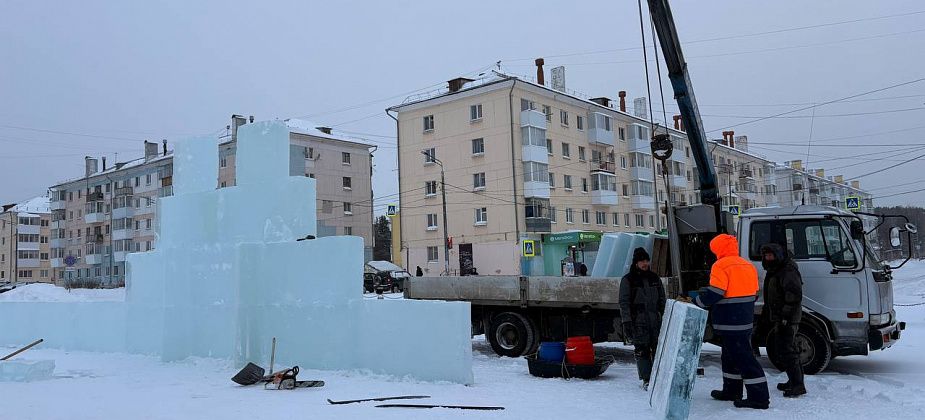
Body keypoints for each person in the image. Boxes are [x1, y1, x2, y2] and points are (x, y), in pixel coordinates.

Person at [695, 234, 770, 410]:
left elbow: (715, 293)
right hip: (743, 319)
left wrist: (696, 301)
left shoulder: (720, 265)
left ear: (718, 249)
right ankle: (731, 391)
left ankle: (759, 398)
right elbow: (754, 293)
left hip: (729, 320)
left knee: (744, 359)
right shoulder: (746, 264)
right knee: (729, 356)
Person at [761, 243, 806, 397]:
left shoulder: (787, 270)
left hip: (788, 317)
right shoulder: (775, 269)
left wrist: (785, 316)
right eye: (766, 256)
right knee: (787, 349)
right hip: (780, 316)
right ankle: (794, 381)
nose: (768, 258)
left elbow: (793, 295)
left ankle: (798, 384)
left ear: (778, 255)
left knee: (787, 351)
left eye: (770, 255)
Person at [619, 247, 666, 390]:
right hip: (638, 321)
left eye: (646, 260)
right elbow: (624, 302)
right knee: (642, 350)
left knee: (659, 350)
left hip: (655, 321)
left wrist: (665, 316)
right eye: (642, 261)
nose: (645, 263)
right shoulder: (628, 280)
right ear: (636, 263)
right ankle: (647, 379)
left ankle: (659, 378)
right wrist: (626, 321)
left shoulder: (654, 278)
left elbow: (662, 299)